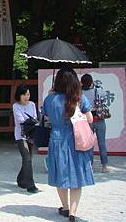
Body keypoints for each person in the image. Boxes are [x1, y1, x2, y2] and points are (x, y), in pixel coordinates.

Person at [43, 67, 94, 221]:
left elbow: (45, 116)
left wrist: (50, 95)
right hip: (76, 141)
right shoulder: (79, 98)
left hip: (57, 140)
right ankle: (72, 212)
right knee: (76, 175)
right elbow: (90, 119)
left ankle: (64, 207)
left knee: (61, 173)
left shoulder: (50, 99)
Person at [12, 84, 40, 193]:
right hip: (21, 135)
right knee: (27, 158)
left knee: (28, 159)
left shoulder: (32, 104)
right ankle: (30, 185)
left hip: (31, 134)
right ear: (19, 95)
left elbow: (35, 117)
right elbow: (20, 120)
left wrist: (30, 121)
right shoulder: (16, 106)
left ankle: (20, 179)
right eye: (24, 94)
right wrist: (30, 121)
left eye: (28, 94)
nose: (26, 97)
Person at [81, 74, 109, 173]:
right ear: (92, 81)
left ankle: (90, 166)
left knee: (89, 144)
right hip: (99, 119)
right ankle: (104, 166)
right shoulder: (98, 90)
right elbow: (104, 98)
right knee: (102, 143)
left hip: (87, 120)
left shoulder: (80, 93)